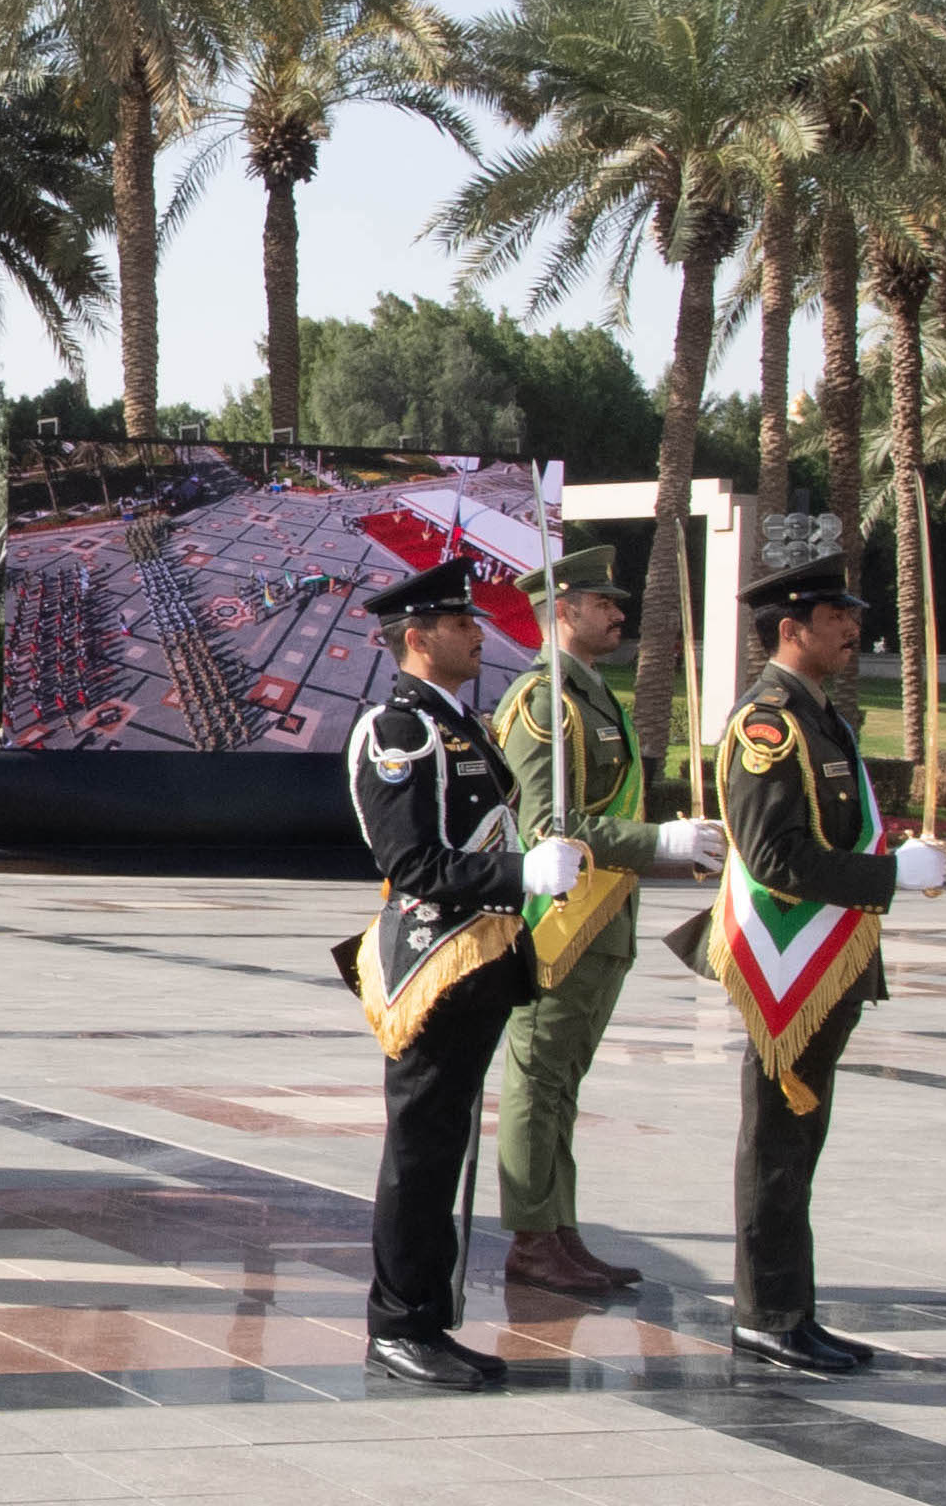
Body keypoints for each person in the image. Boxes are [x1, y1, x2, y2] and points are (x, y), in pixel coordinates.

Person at [335, 555, 583, 1391]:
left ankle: (427, 1318)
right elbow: (410, 862)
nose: (477, 633)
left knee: (443, 1149)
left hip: (480, 961)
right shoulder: (398, 731)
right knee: (419, 1153)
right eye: (459, 622)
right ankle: (398, 1324)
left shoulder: (456, 722)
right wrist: (518, 873)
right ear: (416, 638)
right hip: (434, 964)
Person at [705, 556, 946, 1375]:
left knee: (797, 1145)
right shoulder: (767, 725)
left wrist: (891, 861)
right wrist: (887, 877)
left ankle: (791, 1310)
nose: (852, 627)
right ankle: (766, 1317)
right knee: (776, 1144)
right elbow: (774, 856)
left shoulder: (819, 717)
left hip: (825, 960)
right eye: (835, 616)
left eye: (851, 614)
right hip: (787, 964)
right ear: (790, 628)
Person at [490, 544, 720, 1296]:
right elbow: (546, 825)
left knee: (562, 1084)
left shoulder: (589, 695)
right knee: (537, 1080)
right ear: (562, 611)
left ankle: (559, 1230)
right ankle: (532, 1238)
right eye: (603, 604)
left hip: (601, 918)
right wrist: (660, 843)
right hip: (557, 922)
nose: (619, 615)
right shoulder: (542, 702)